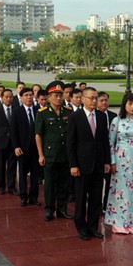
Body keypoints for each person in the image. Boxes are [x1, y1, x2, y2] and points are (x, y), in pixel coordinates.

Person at [66, 86, 112, 241]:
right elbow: (70, 143)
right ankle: (81, 227)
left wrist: (107, 161)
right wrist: (73, 164)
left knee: (95, 198)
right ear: (83, 99)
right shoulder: (75, 117)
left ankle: (93, 227)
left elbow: (104, 141)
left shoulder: (100, 116)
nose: (94, 101)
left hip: (98, 165)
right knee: (80, 198)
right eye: (91, 98)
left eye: (95, 98)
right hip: (81, 165)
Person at [105, 93, 133, 234]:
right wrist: (112, 161)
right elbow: (110, 143)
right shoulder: (116, 121)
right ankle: (119, 222)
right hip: (119, 161)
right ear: (124, 105)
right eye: (130, 104)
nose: (132, 107)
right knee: (119, 192)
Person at [35, 81, 74, 222]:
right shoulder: (43, 113)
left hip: (65, 155)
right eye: (55, 95)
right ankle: (49, 209)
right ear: (49, 97)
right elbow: (38, 134)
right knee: (50, 184)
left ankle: (62, 209)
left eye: (60, 95)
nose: (58, 98)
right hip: (50, 155)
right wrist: (40, 154)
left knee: (64, 184)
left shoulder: (68, 112)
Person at [11, 87, 41, 206]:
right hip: (23, 148)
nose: (29, 97)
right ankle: (23, 196)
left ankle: (34, 197)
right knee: (22, 174)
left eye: (31, 95)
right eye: (26, 95)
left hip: (36, 148)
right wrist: (16, 146)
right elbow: (13, 131)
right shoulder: (17, 111)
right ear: (22, 97)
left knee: (35, 174)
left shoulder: (38, 110)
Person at [0, 89, 17, 195]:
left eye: (10, 97)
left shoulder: (16, 110)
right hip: (1, 143)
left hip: (13, 143)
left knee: (12, 166)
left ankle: (11, 187)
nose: (8, 99)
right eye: (6, 97)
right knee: (0, 166)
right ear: (2, 98)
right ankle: (1, 186)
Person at [97, 91, 117, 214]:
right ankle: (97, 206)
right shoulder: (95, 116)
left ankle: (107, 205)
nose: (104, 103)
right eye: (102, 100)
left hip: (112, 154)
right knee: (98, 184)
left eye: (106, 100)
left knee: (111, 183)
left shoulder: (114, 116)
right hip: (99, 154)